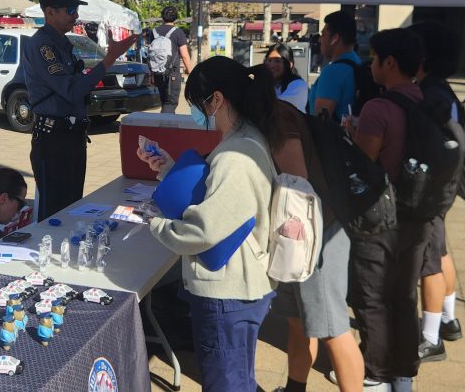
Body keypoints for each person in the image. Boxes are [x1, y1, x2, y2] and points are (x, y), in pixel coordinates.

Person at [138, 56, 279, 392]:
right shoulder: (246, 139)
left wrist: (155, 224)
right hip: (240, 286)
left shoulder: (235, 156)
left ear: (217, 99)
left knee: (225, 383)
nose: (197, 114)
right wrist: (169, 169)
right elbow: (216, 199)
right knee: (239, 379)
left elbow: (204, 230)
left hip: (226, 292)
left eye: (197, 105)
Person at [344, 28, 427, 392]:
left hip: (380, 222)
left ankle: (376, 376)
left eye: (374, 58)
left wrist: (351, 134)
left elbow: (364, 164)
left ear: (389, 62)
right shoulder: (422, 98)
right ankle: (403, 379)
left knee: (372, 302)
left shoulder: (379, 107)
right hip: (417, 217)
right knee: (404, 299)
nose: (371, 64)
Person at [268, 95, 365, 392]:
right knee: (298, 321)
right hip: (296, 234)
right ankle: (294, 388)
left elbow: (298, 183)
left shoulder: (277, 121)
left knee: (333, 328)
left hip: (317, 232)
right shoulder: (273, 114)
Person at [23, 0, 135, 221]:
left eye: (76, 9)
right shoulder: (43, 45)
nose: (76, 15)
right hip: (54, 140)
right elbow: (71, 90)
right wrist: (109, 59)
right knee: (54, 213)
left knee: (72, 206)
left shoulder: (63, 44)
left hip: (71, 136)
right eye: (70, 9)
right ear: (50, 12)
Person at [408, 23, 465, 360]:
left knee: (429, 262)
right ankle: (448, 318)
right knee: (441, 252)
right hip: (446, 186)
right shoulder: (443, 90)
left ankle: (430, 337)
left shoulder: (430, 95)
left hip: (431, 191)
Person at [308, 11, 363, 121]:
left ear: (335, 39)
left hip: (331, 137)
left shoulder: (332, 72)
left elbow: (320, 122)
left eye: (323, 35)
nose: (319, 39)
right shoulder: (357, 62)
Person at [147, 6, 194, 114]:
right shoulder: (178, 33)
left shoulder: (154, 32)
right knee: (170, 103)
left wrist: (150, 75)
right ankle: (162, 129)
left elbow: (150, 54)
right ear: (175, 18)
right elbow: (185, 55)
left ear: (162, 17)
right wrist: (191, 73)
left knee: (164, 102)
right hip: (172, 74)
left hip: (157, 73)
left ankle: (168, 127)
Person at [265, 43, 308, 113]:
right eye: (269, 60)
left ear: (290, 64)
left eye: (278, 61)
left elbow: (279, 107)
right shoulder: (265, 84)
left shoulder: (298, 85)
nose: (272, 65)